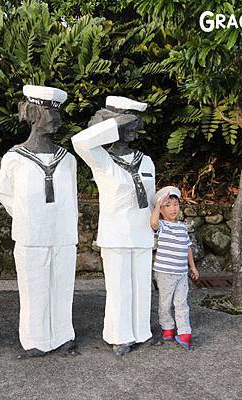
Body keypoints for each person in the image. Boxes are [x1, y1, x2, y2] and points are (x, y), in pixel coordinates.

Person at [0, 85, 78, 357]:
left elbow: (71, 199)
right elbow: (4, 193)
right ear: (30, 112)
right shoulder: (15, 158)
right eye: (46, 110)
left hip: (63, 235)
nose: (52, 117)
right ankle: (36, 340)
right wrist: (28, 217)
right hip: (31, 235)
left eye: (56, 110)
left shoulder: (68, 160)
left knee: (63, 286)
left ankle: (64, 335)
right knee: (33, 289)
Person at [71, 96, 155, 358]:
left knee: (142, 285)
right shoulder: (102, 159)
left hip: (142, 233)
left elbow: (152, 201)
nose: (131, 127)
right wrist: (114, 123)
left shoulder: (147, 161)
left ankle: (142, 332)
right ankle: (119, 336)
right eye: (125, 122)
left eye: (134, 122)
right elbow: (80, 142)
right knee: (119, 288)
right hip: (116, 235)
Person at [150, 186, 200, 350]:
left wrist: (192, 267)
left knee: (181, 303)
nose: (173, 209)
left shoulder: (182, 226)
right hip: (164, 272)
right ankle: (168, 329)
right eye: (168, 205)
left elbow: (187, 248)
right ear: (161, 210)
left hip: (181, 272)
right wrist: (158, 205)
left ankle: (185, 333)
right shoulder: (162, 226)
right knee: (165, 303)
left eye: (175, 204)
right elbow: (154, 222)